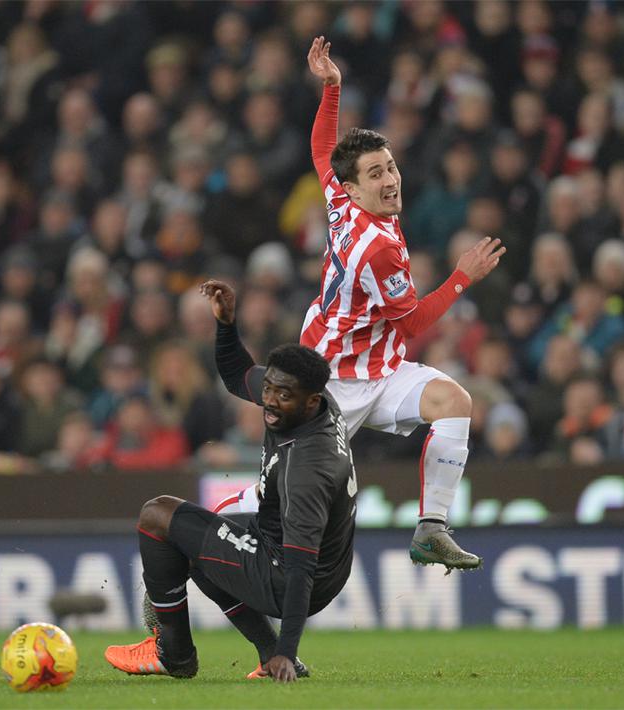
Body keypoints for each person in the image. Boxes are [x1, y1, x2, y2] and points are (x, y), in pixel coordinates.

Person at [293, 38, 504, 570]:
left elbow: (322, 150)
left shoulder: (341, 198)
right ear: (355, 189)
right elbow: (410, 323)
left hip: (376, 367)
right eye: (376, 174)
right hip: (332, 381)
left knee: (455, 402)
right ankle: (199, 544)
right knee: (284, 504)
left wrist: (332, 88)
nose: (390, 181)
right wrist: (462, 277)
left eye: (390, 167)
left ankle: (432, 528)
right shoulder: (379, 248)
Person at [104, 280, 357, 682]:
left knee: (157, 515)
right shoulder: (309, 401)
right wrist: (226, 324)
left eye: (281, 395)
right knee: (192, 541)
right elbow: (237, 374)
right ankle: (263, 650)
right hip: (306, 552)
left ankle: (174, 653)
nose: (270, 401)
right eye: (269, 389)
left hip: (293, 572)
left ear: (310, 401)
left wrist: (289, 654)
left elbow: (300, 570)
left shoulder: (305, 467)